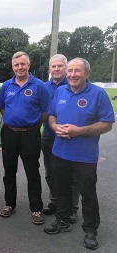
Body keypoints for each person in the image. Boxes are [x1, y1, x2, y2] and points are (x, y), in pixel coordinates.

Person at [44, 58, 114, 250]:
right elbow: (52, 115)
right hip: (59, 152)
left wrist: (79, 131)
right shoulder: (60, 91)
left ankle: (90, 230)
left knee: (88, 193)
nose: (73, 75)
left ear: (87, 73)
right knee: (62, 190)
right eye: (70, 71)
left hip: (85, 156)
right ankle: (62, 220)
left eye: (77, 71)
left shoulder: (98, 94)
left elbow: (107, 124)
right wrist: (54, 126)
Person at [0, 51, 50, 225]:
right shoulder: (6, 86)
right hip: (9, 133)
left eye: (22, 64)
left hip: (30, 134)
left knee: (32, 172)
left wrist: (32, 125)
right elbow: (2, 108)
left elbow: (45, 111)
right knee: (9, 171)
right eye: (16, 65)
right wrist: (14, 121)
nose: (19, 67)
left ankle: (36, 209)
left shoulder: (39, 85)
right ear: (13, 67)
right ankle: (9, 204)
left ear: (28, 65)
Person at [41, 54, 80, 223]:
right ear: (49, 69)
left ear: (65, 68)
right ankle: (55, 201)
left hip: (71, 138)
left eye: (59, 66)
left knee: (71, 175)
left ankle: (72, 207)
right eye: (53, 66)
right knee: (51, 173)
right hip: (49, 136)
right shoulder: (44, 87)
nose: (56, 69)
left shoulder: (73, 83)